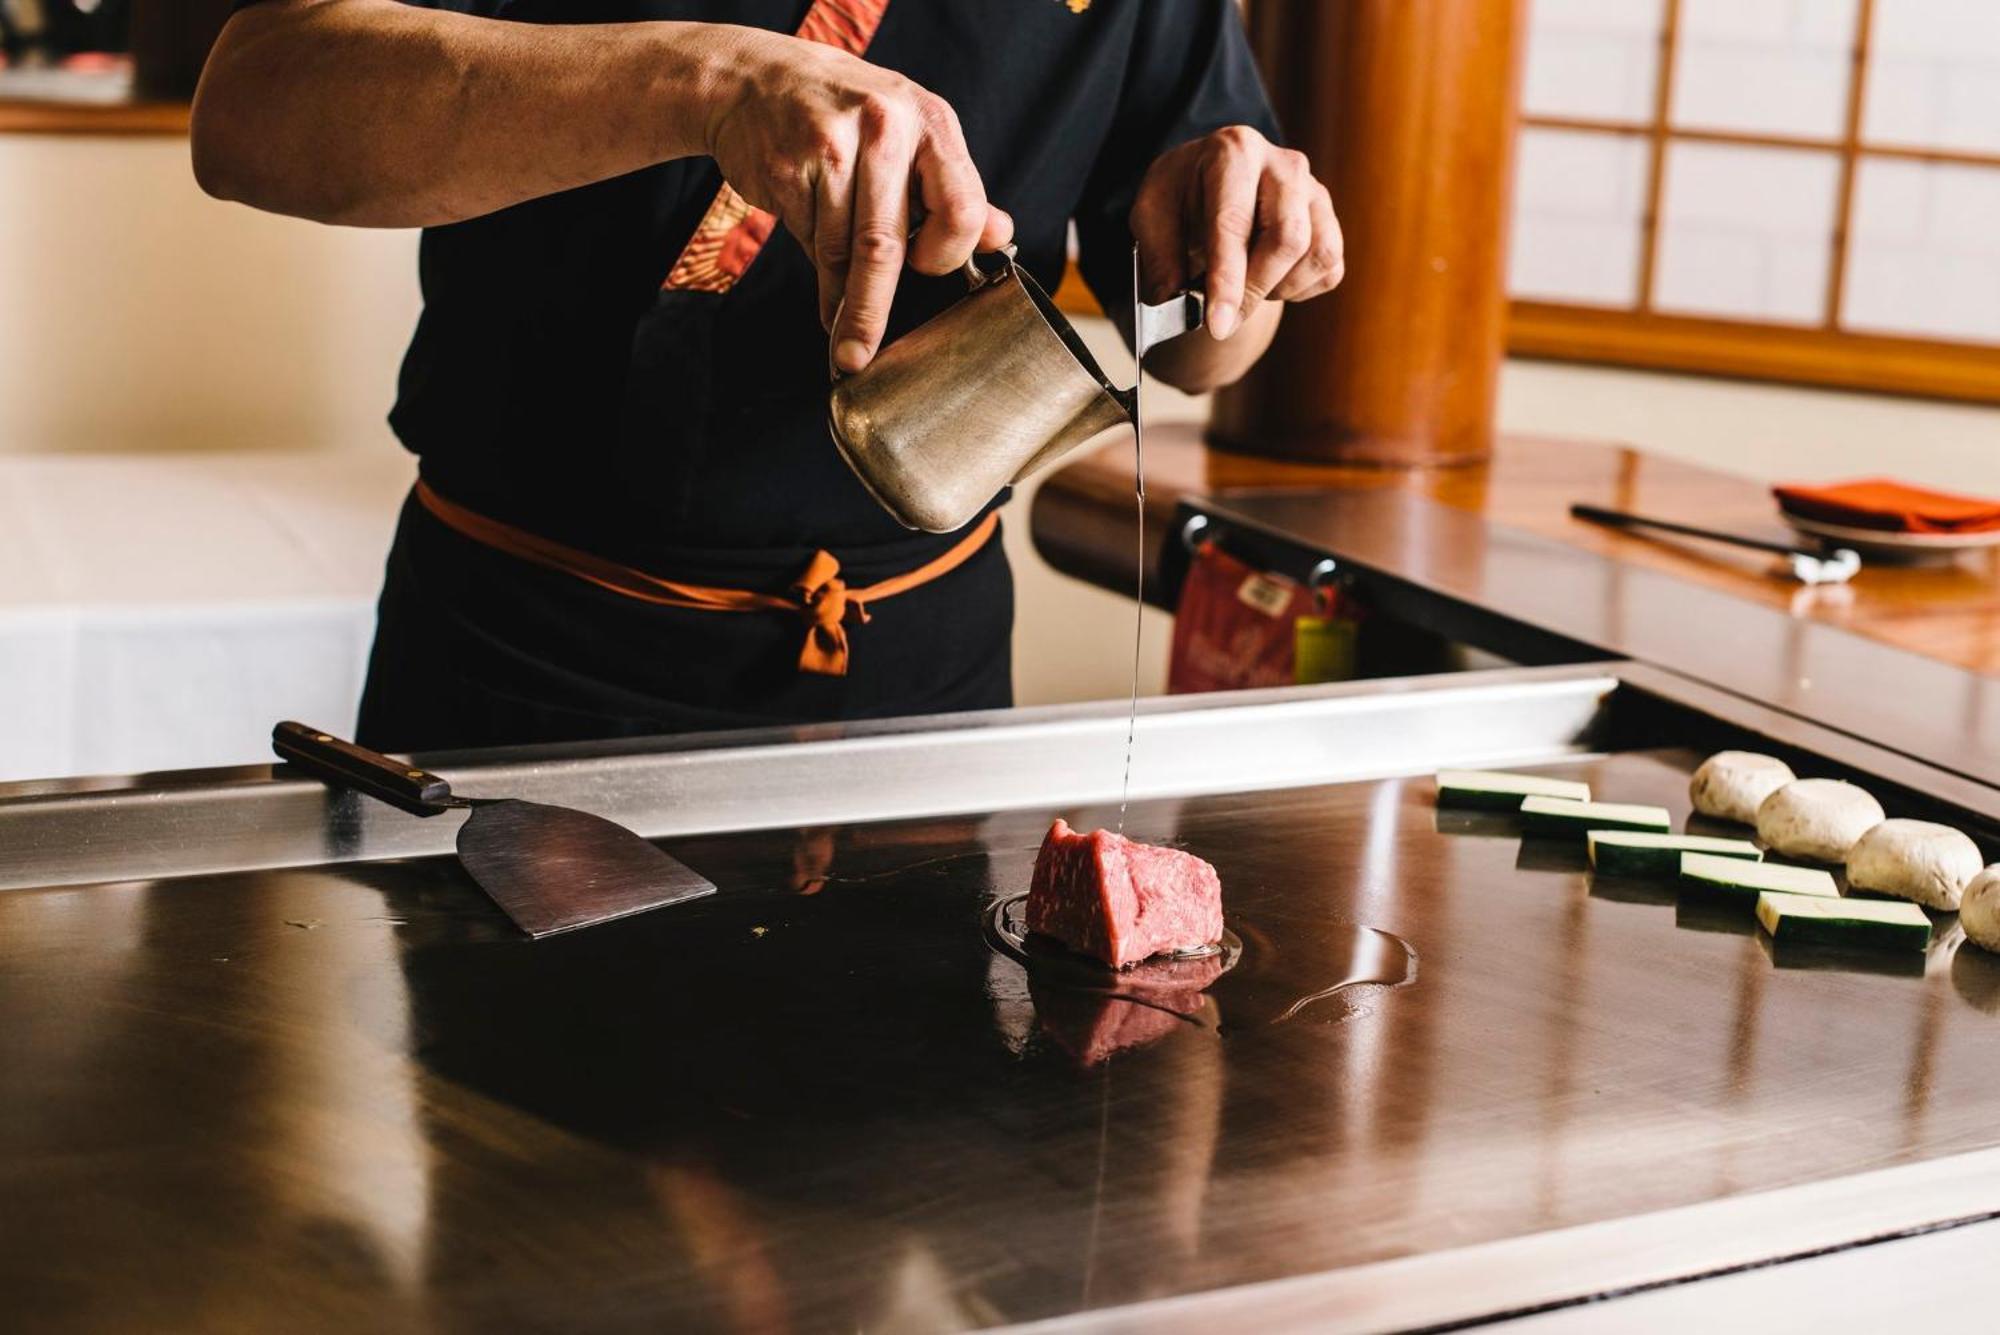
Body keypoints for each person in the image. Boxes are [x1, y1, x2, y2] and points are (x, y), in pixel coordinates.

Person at [191, 0, 1344, 750]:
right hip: (535, 654)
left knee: (933, 1119)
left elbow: (1205, 355)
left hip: (924, 677)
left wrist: (1224, 240)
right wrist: (706, 80)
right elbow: (251, 110)